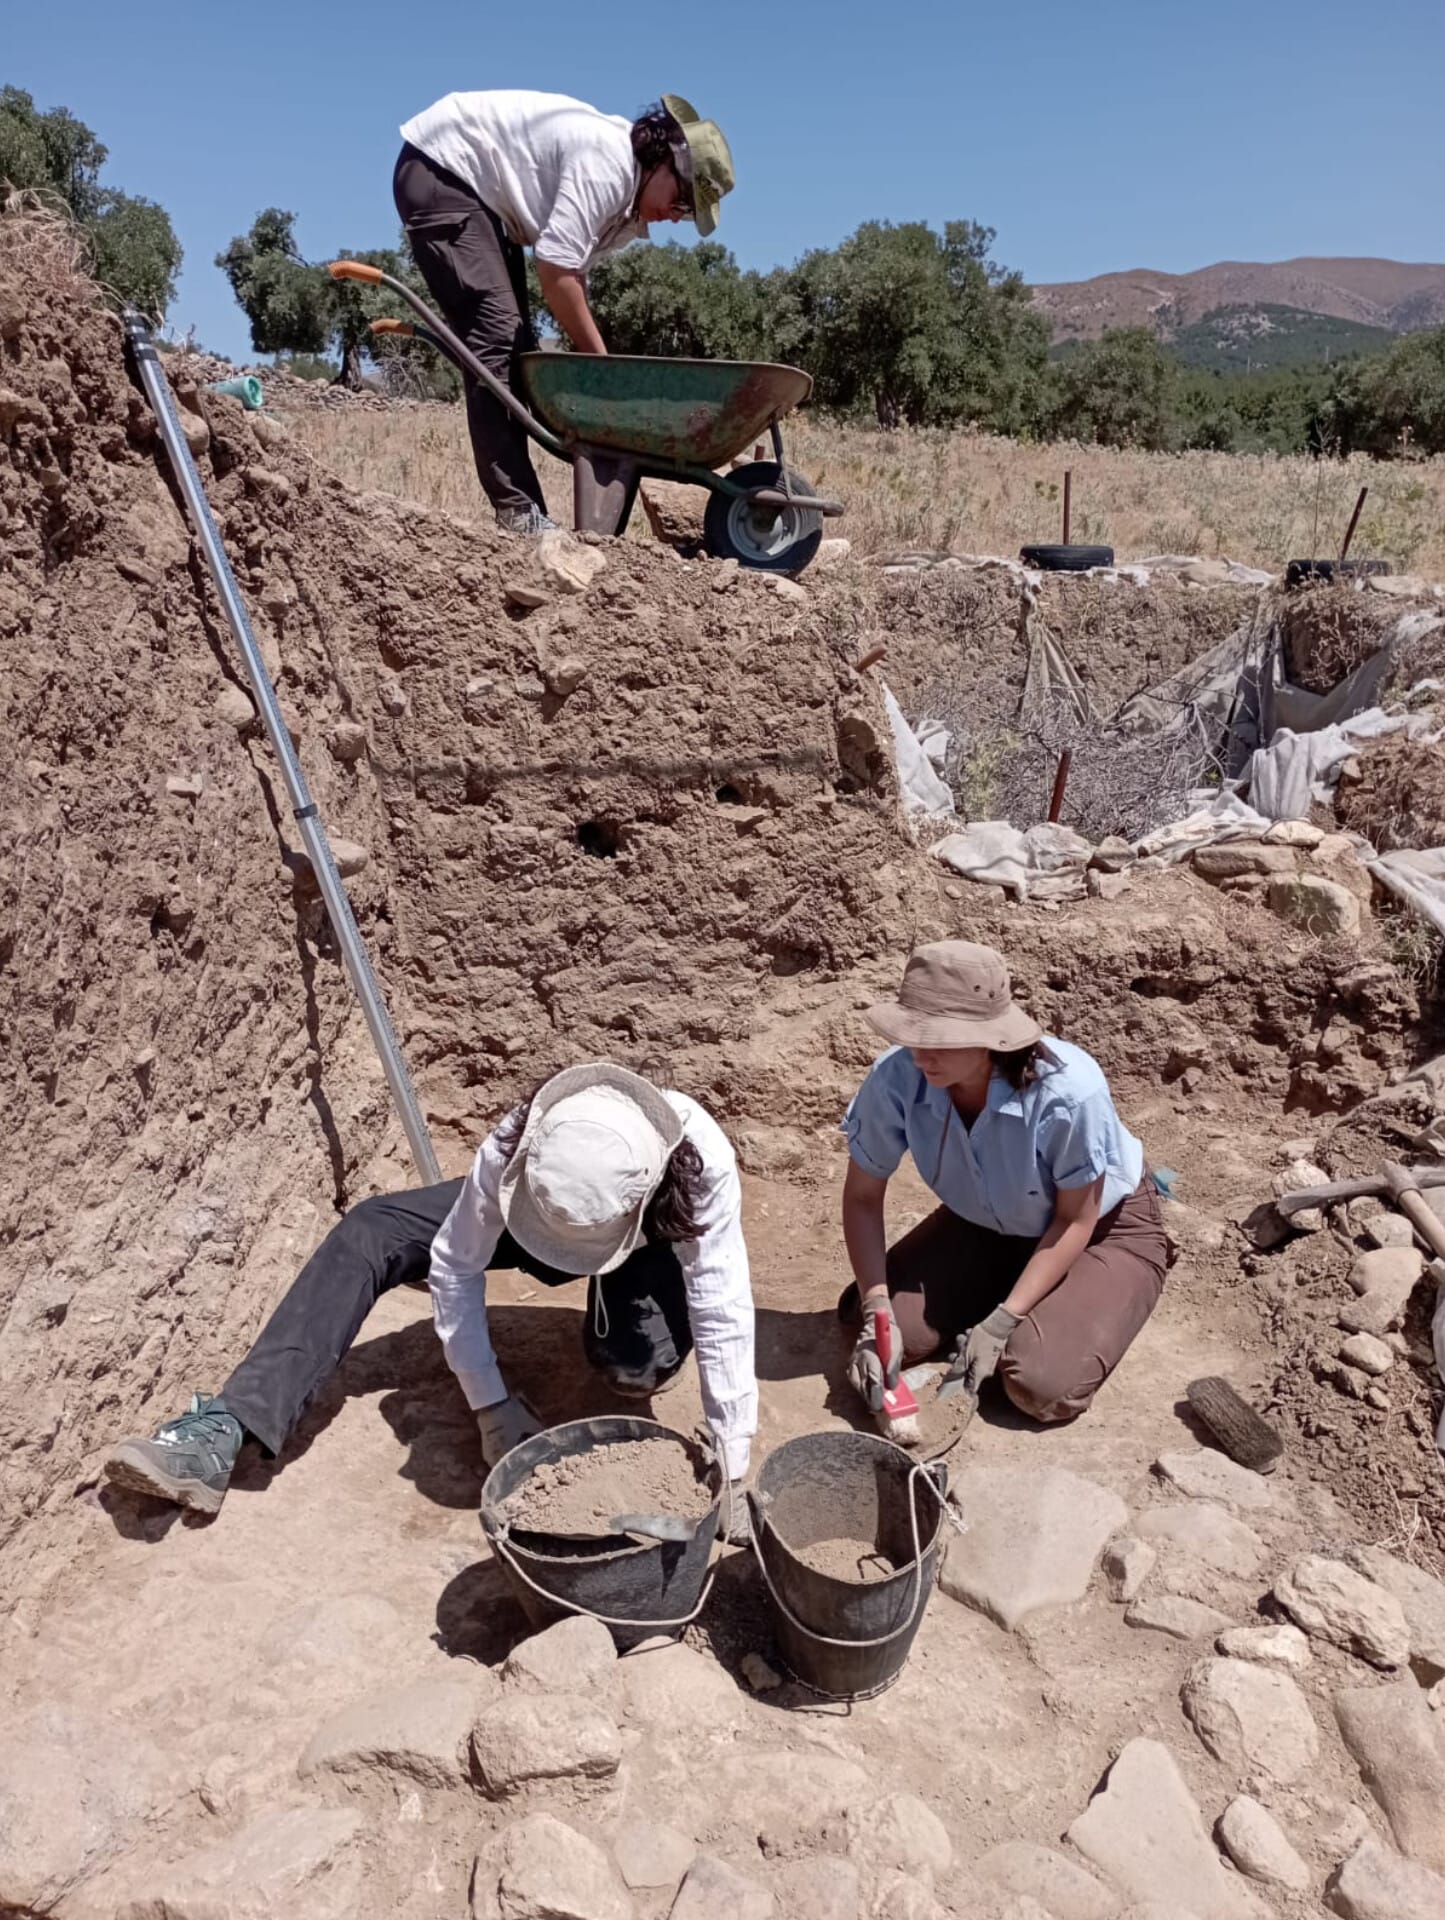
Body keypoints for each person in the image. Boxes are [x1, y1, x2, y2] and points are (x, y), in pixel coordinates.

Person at [104, 1064, 757, 1522]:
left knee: (633, 1366)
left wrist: (731, 1457)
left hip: (643, 1243)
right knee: (373, 1229)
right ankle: (227, 1427)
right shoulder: (525, 1137)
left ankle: (617, 1309)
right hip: (530, 1218)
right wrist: (490, 1405)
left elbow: (721, 1304)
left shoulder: (698, 1168)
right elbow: (454, 1260)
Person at [840, 941, 1170, 1429]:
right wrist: (876, 1311)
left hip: (1098, 1228)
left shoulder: (1068, 1093)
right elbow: (863, 1198)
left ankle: (1125, 1275)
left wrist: (1003, 1320)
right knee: (872, 1324)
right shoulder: (898, 1077)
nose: (922, 1054)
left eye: (942, 1039)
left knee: (1036, 1382)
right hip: (987, 1225)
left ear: (991, 1037)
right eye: (915, 1034)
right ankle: (1000, 1289)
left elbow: (1075, 1217)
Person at [392, 90, 734, 533]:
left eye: (686, 213)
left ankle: (524, 511)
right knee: (495, 341)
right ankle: (518, 514)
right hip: (443, 167)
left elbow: (573, 272)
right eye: (682, 199)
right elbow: (555, 270)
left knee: (517, 346)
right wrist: (601, 367)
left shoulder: (628, 209)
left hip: (478, 195)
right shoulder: (608, 164)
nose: (676, 215)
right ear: (662, 161)